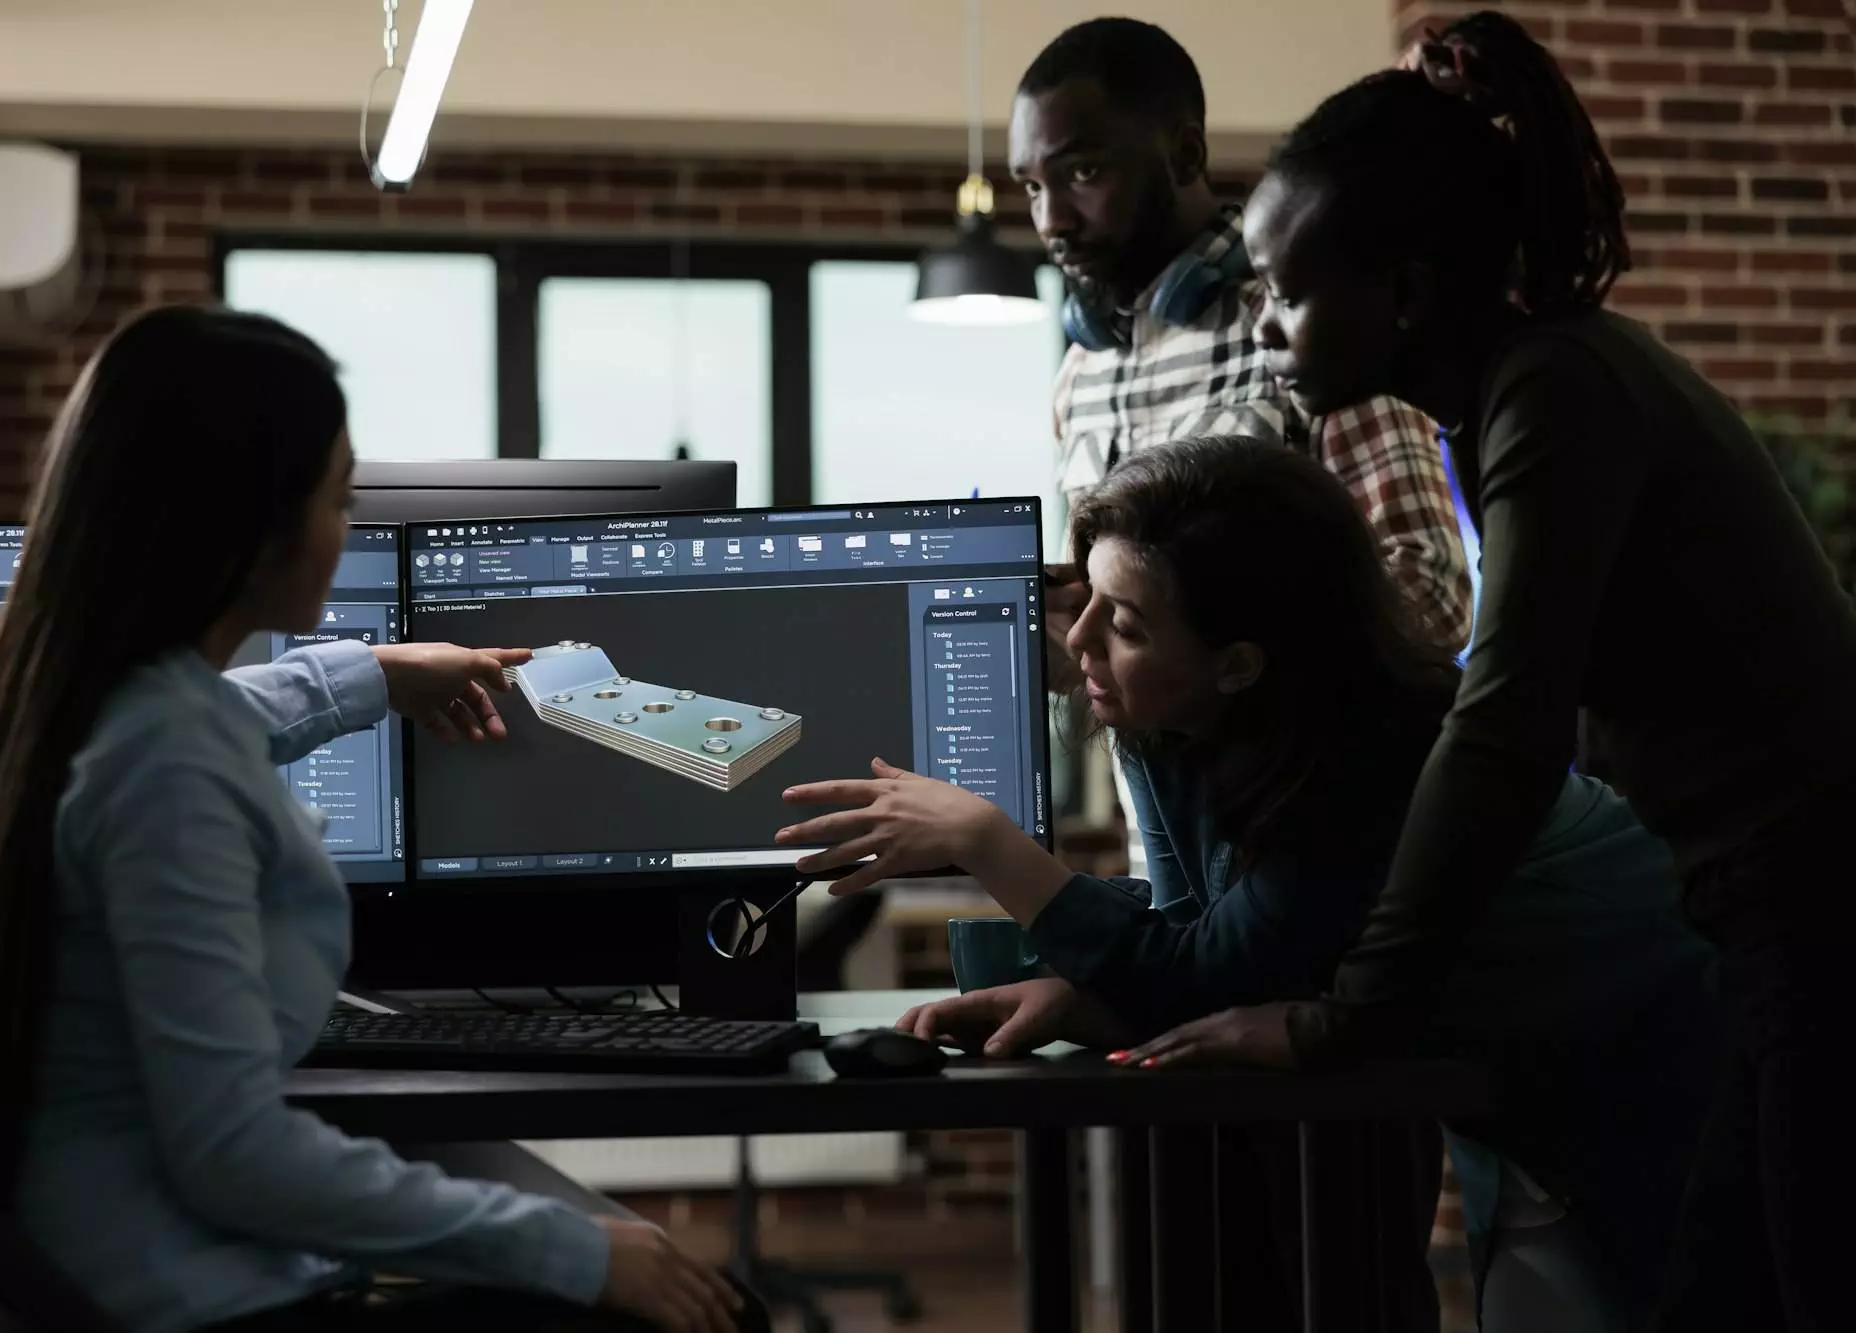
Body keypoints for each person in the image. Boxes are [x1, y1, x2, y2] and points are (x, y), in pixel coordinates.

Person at [1127, 15, 1856, 1333]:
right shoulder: (1511, 396)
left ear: (1401, 295)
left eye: (1286, 291)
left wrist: (1342, 1019)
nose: (1270, 328)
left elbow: (1506, 728)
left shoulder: (1556, 388)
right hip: (1767, 914)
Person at [0, 306, 756, 1333]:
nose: (346, 528)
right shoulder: (167, 763)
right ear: (249, 528)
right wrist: (572, 1250)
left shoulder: (43, 707)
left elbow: (219, 715)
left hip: (115, 1275)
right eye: (339, 497)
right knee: (696, 1308)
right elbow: (234, 1156)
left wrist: (376, 672)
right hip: (201, 1306)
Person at [777, 439, 1716, 1332]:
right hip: (1506, 1061)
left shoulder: (1370, 761)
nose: (1078, 638)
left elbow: (1209, 965)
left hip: (1649, 1050)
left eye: (1125, 623)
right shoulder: (1193, 716)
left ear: (1239, 663)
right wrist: (1082, 995)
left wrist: (984, 839)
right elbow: (1200, 928)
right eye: (1087, 600)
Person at [1012, 17, 1472, 655]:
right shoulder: (1078, 376)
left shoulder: (1315, 328)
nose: (1051, 220)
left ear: (1186, 154)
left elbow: (1433, 595)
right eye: (1033, 187)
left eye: (1083, 172)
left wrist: (1214, 646)